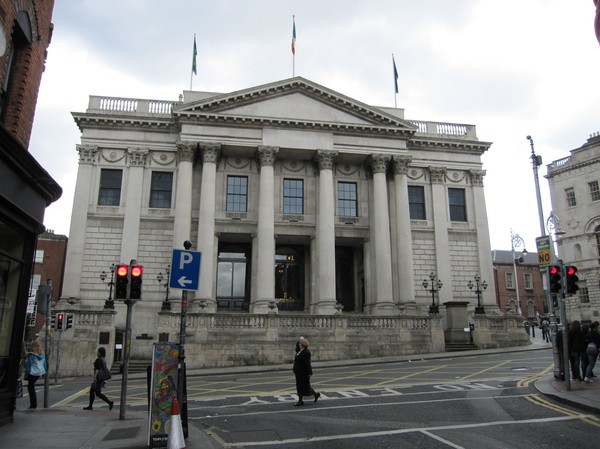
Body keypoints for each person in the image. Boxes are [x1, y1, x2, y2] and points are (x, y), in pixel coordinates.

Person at [293, 337, 320, 406]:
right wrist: (298, 340)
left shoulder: (306, 352)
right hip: (298, 372)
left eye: (300, 344)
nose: (299, 345)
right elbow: (296, 349)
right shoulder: (300, 351)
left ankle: (300, 400)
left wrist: (310, 373)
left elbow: (308, 363)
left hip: (303, 372)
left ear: (302, 345)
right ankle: (315, 395)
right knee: (303, 385)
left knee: (302, 386)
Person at [25, 340, 46, 409]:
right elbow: (45, 364)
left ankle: (33, 404)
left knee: (31, 388)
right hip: (39, 373)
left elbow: (29, 365)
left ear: (33, 347)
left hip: (32, 373)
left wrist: (27, 373)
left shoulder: (32, 355)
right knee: (31, 387)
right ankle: (34, 404)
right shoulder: (42, 355)